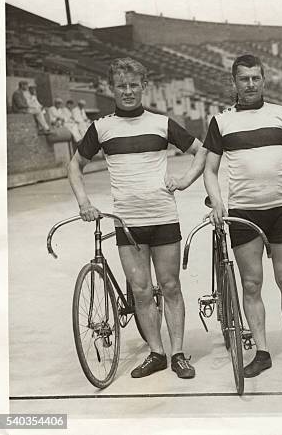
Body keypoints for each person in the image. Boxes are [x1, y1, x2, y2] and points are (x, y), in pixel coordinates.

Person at [68, 57, 208, 380]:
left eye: (134, 85)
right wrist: (84, 202)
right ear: (112, 88)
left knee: (170, 286)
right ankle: (156, 352)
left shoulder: (162, 123)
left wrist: (184, 180)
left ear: (144, 87)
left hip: (163, 217)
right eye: (121, 86)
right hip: (127, 223)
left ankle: (178, 354)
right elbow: (74, 165)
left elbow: (201, 151)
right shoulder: (101, 128)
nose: (128, 91)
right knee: (142, 290)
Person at [203, 54, 282, 378]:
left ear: (264, 79)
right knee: (252, 283)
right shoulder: (222, 121)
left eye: (256, 78)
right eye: (244, 79)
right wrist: (217, 202)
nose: (251, 84)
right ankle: (262, 352)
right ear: (234, 83)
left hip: (281, 210)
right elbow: (210, 170)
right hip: (243, 213)